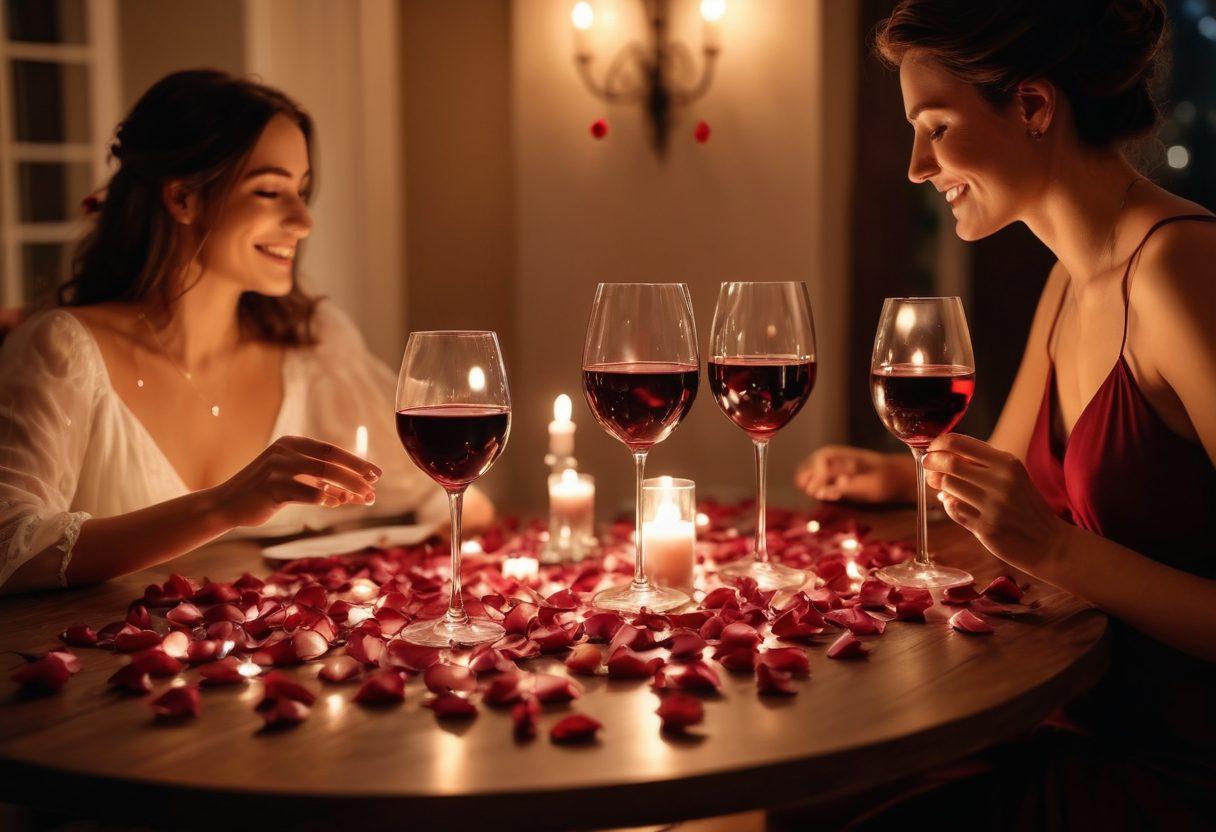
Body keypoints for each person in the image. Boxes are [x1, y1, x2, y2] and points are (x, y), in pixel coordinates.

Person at [795, 0, 1215, 825]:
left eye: (938, 126)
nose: (917, 165)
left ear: (1032, 107)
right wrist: (900, 471)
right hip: (1068, 718)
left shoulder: (1177, 271)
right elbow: (1017, 483)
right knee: (818, 797)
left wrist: (1057, 550)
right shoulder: (1069, 280)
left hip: (1178, 769)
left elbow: (1043, 535)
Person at [0, 70, 493, 594]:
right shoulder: (65, 349)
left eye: (302, 191)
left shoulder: (316, 344)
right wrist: (223, 506)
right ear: (183, 199)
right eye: (270, 190)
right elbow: (10, 546)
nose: (303, 220)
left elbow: (448, 499)